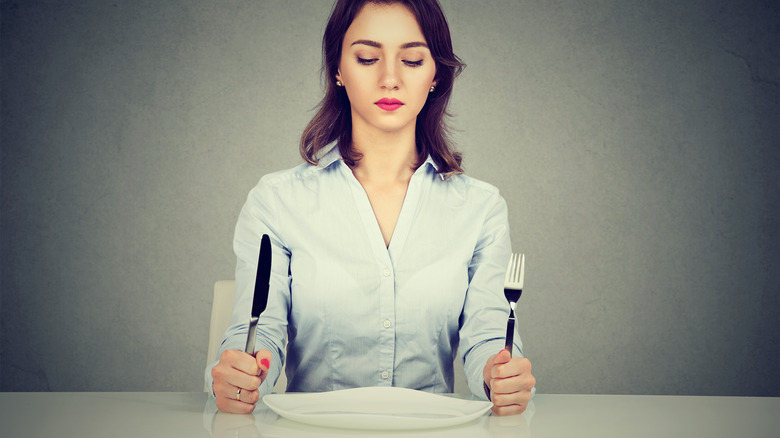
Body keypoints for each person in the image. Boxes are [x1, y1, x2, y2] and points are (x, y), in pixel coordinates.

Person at [206, 0, 535, 416]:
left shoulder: (481, 207)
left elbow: (488, 333)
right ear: (338, 69)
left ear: (435, 75)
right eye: (367, 58)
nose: (390, 79)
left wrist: (498, 374)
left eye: (413, 60)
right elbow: (259, 330)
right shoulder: (277, 201)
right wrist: (242, 371)